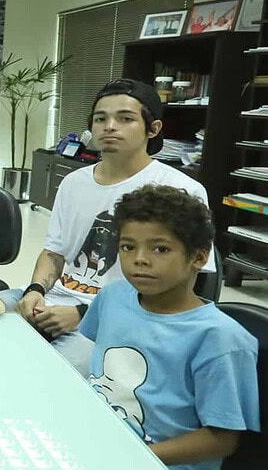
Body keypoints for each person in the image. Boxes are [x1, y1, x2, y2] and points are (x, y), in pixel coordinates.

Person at [5, 79, 213, 373]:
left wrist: (84, 314)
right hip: (57, 299)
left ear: (153, 129)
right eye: (100, 119)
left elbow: (183, 284)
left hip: (124, 317)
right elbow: (54, 252)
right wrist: (34, 291)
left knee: (51, 372)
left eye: (125, 118)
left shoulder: (179, 189)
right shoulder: (74, 182)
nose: (109, 126)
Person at [80, 184, 258, 470]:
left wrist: (127, 456)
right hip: (98, 440)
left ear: (199, 257)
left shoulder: (221, 340)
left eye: (160, 248)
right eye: (128, 247)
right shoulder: (113, 297)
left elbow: (222, 439)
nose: (139, 258)